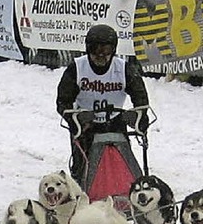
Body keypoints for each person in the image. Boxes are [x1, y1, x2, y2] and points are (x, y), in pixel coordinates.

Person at [56, 24, 149, 185]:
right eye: (95, 49)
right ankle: (81, 187)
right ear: (87, 49)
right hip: (85, 122)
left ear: (113, 50)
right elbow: (63, 100)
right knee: (82, 166)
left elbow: (140, 98)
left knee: (123, 161)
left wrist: (139, 118)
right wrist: (73, 119)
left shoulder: (124, 69)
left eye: (105, 50)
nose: (100, 55)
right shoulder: (77, 68)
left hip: (115, 121)